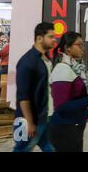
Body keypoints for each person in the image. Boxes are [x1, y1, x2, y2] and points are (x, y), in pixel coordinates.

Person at [49, 31, 88, 152]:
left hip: (74, 124)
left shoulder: (77, 67)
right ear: (67, 48)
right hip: (64, 128)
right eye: (79, 45)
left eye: (82, 45)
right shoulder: (63, 69)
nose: (82, 49)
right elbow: (61, 107)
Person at [13, 22, 56, 152]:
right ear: (39, 38)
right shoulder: (27, 62)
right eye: (51, 36)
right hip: (31, 119)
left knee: (49, 147)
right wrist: (29, 122)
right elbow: (23, 96)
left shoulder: (46, 59)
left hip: (46, 115)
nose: (54, 40)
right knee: (22, 149)